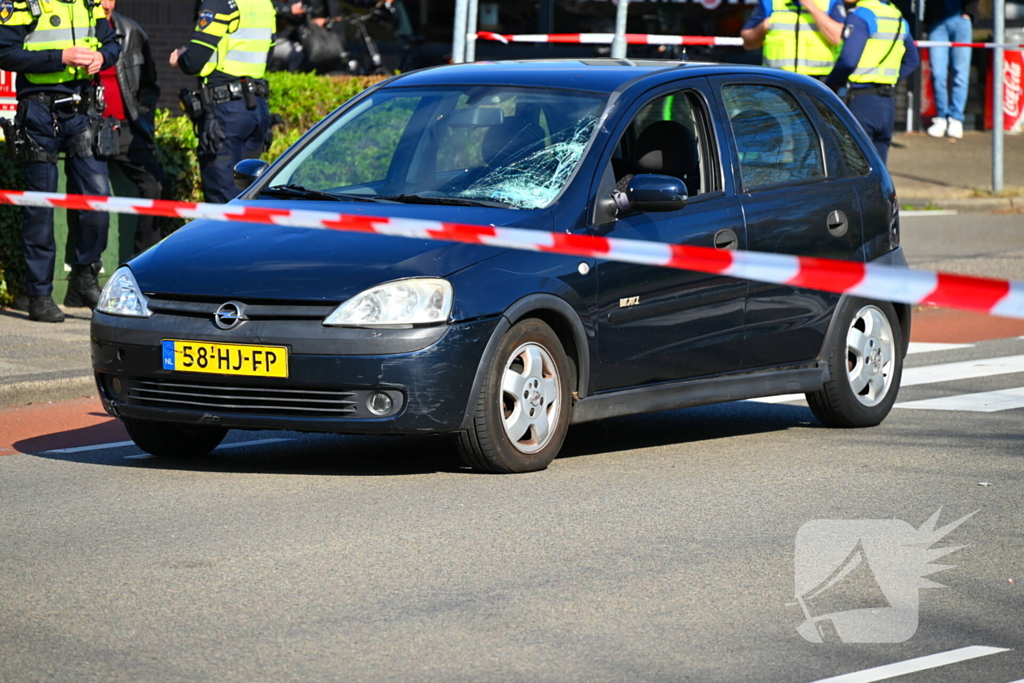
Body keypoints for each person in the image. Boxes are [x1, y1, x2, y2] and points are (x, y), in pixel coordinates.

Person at [0, 0, 121, 323]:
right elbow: (5, 53)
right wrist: (61, 57)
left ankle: (84, 278)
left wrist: (102, 57)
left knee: (96, 198)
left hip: (82, 112)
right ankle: (39, 294)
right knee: (40, 205)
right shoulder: (23, 4)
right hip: (39, 110)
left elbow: (112, 43)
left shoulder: (89, 3)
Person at [169, 0, 274, 204]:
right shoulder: (264, 5)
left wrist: (180, 58)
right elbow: (267, 57)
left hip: (225, 112)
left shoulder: (219, 3)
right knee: (250, 195)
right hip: (257, 109)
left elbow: (194, 61)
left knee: (224, 198)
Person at [798, 0, 919, 163]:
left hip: (861, 102)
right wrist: (889, 81)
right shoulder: (896, 16)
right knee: (878, 170)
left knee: (856, 166)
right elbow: (912, 60)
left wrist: (829, 84)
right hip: (887, 104)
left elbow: (848, 61)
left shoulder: (861, 15)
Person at [99, 0, 172, 254]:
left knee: (158, 185)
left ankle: (145, 259)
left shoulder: (132, 31)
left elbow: (149, 86)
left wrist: (143, 119)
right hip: (90, 128)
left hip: (127, 128)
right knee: (93, 197)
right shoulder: (77, 32)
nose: (105, 3)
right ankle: (87, 273)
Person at [740, 0, 846, 78]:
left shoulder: (830, 2)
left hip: (818, 82)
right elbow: (748, 43)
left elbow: (837, 38)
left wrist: (811, 6)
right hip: (777, 79)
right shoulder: (770, 2)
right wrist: (762, 27)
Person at [924, 0, 976, 138]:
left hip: (960, 18)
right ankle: (941, 116)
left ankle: (956, 118)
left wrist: (969, 12)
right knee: (938, 73)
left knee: (961, 72)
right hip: (937, 22)